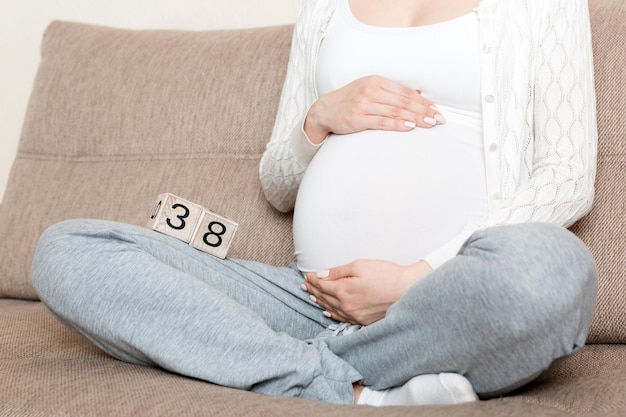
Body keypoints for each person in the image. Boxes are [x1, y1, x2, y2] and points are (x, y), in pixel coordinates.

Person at [31, 0, 598, 407]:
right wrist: (318, 118)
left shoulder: (542, 5)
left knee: (553, 270)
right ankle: (351, 388)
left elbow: (568, 175)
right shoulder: (324, 6)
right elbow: (277, 183)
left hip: (439, 303)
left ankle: (267, 362)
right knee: (69, 250)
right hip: (305, 301)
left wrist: (416, 278)